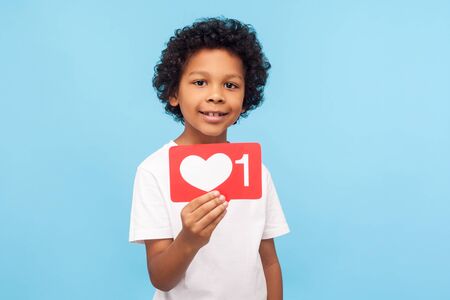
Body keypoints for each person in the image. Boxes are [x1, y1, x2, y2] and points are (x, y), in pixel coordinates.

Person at [129, 16, 290, 300]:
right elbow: (161, 278)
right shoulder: (154, 171)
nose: (216, 95)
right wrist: (189, 240)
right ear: (174, 93)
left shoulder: (255, 172)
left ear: (246, 96)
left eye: (230, 85)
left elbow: (269, 261)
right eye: (200, 82)